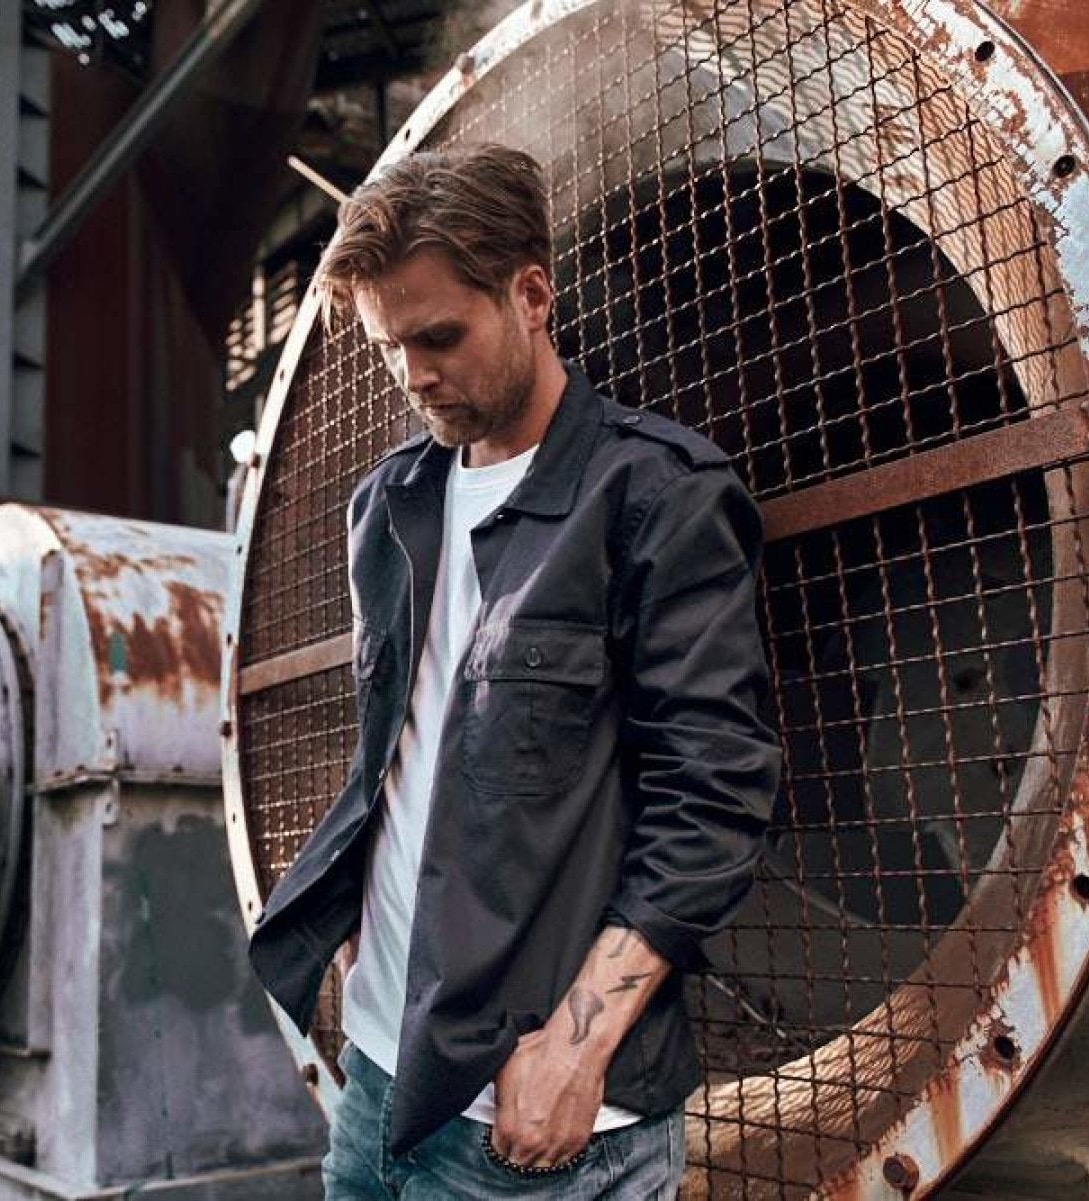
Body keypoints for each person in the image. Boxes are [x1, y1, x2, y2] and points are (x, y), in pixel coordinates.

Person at [247, 143, 781, 1199]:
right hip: (378, 1075)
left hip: (533, 1113)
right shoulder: (388, 506)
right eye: (390, 347)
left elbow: (714, 800)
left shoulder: (654, 496)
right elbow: (399, 749)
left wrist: (579, 1049)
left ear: (532, 294)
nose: (414, 375)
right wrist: (361, 925)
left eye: (439, 336)